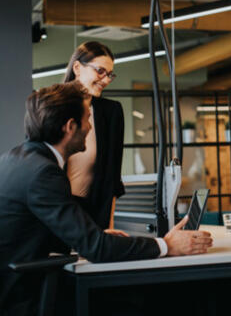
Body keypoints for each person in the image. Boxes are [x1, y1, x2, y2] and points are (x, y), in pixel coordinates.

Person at [0, 82, 212, 316]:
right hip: (25, 298)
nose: (90, 127)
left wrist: (92, 237)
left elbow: (35, 231)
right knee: (149, 297)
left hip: (16, 285)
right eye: (87, 119)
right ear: (71, 126)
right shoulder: (44, 173)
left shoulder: (14, 159)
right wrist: (167, 245)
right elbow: (96, 249)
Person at [63, 41, 124, 230]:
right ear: (77, 68)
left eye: (109, 74)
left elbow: (112, 177)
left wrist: (109, 226)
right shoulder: (52, 107)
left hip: (94, 215)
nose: (105, 80)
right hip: (57, 212)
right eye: (100, 71)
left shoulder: (111, 112)